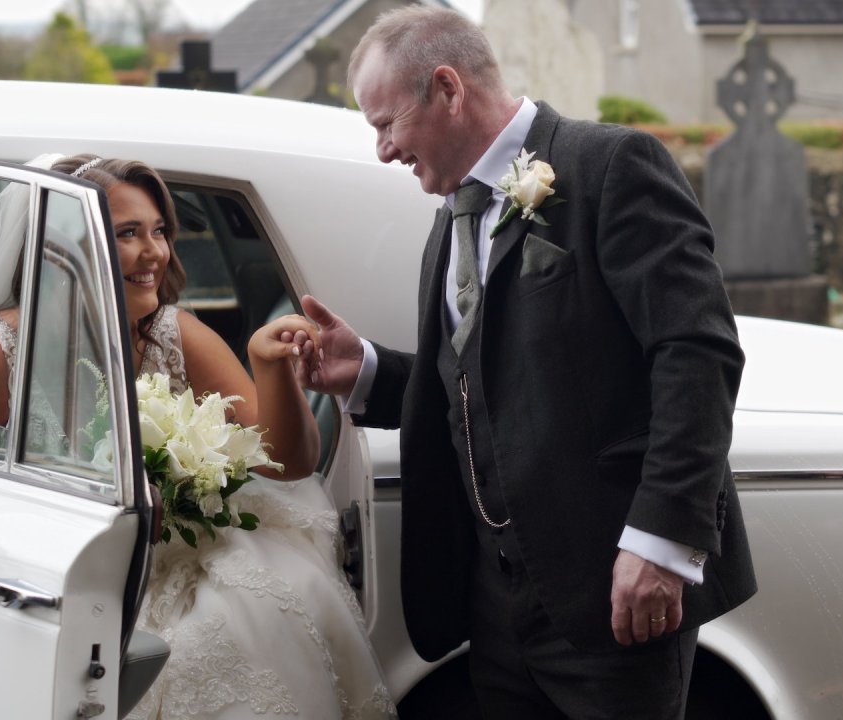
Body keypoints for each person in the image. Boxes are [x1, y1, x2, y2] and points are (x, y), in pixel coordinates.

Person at [298, 7, 756, 719]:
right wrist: (367, 371)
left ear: (447, 88)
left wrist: (663, 543)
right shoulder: (451, 217)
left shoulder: (609, 166)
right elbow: (490, 378)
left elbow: (697, 352)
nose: (384, 150)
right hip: (495, 606)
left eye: (386, 124)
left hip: (611, 585)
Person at [0, 154, 396, 720]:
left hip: (183, 559)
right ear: (60, 248)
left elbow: (288, 464)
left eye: (159, 231)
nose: (155, 253)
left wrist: (267, 366)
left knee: (252, 611)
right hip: (65, 577)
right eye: (127, 234)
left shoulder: (175, 331)